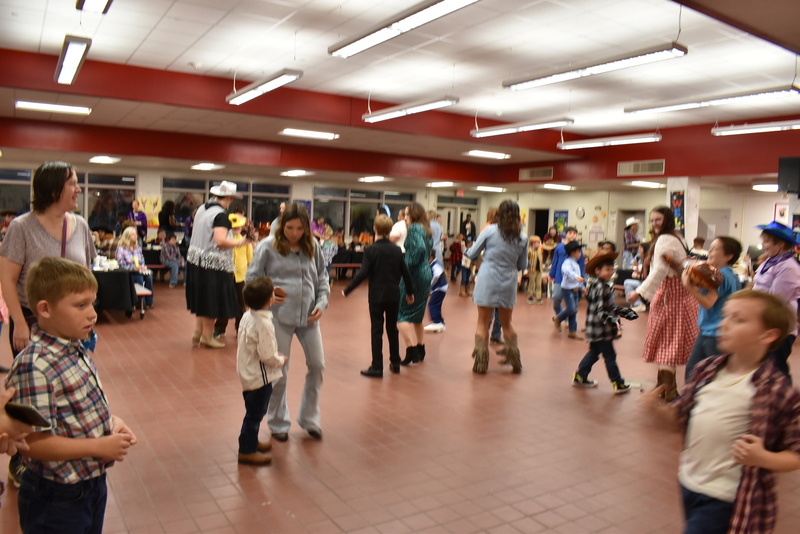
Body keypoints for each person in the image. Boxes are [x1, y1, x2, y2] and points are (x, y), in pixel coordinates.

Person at [642, 290, 800, 534]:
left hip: (728, 497)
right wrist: (657, 409)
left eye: (738, 319)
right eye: (725, 316)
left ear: (768, 335)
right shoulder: (707, 370)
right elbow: (682, 415)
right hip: (690, 481)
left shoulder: (777, 390)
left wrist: (763, 458)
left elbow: (796, 453)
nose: (724, 324)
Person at [4, 257, 138, 533]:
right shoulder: (35, 366)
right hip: (55, 497)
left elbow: (77, 406)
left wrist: (110, 422)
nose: (92, 314)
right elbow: (34, 443)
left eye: (92, 303)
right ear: (45, 309)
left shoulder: (74, 347)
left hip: (91, 485)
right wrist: (97, 447)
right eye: (80, 305)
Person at [246, 203, 330, 441]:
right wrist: (269, 292)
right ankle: (278, 422)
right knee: (279, 372)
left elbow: (323, 277)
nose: (294, 233)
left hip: (309, 318)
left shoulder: (312, 245)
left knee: (318, 366)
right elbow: (251, 279)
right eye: (289, 228)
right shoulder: (267, 247)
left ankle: (309, 418)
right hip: (279, 318)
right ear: (282, 226)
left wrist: (322, 303)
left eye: (299, 228)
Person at [626, 206, 698, 402]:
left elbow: (659, 271)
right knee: (669, 343)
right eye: (652, 220)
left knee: (667, 344)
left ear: (667, 220)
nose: (654, 224)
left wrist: (639, 293)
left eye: (658, 220)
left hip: (669, 296)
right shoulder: (677, 236)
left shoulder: (666, 239)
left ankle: (669, 390)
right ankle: (663, 386)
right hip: (680, 294)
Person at [343, 214, 414, 378]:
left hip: (376, 296)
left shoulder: (371, 250)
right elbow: (406, 274)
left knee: (377, 330)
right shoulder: (397, 250)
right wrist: (410, 293)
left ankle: (377, 367)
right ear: (390, 230)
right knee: (392, 329)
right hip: (393, 296)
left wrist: (348, 289)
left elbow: (362, 273)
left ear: (374, 229)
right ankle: (395, 363)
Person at [464, 200, 527, 374]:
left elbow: (473, 253)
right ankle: (515, 360)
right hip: (508, 280)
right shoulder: (523, 237)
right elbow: (522, 265)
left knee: (482, 322)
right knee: (507, 322)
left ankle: (481, 363)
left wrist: (467, 251)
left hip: (487, 278)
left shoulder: (490, 230)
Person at [236, 276, 287, 466]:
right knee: (255, 414)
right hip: (259, 378)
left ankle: (252, 441)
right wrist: (280, 359)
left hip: (247, 372)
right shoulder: (263, 324)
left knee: (253, 411)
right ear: (270, 300)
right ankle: (247, 450)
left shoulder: (247, 316)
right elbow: (267, 356)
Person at [186, 181, 243, 349]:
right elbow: (220, 241)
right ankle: (207, 336)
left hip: (196, 260)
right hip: (213, 265)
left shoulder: (202, 209)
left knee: (202, 299)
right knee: (211, 301)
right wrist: (240, 242)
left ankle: (198, 332)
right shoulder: (221, 216)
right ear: (230, 198)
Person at [571, 251, 634, 394]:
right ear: (597, 271)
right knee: (610, 356)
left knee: (594, 352)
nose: (611, 272)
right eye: (607, 270)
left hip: (595, 328)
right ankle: (618, 382)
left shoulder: (597, 285)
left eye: (612, 269)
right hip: (601, 329)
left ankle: (580, 375)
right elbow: (601, 310)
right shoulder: (602, 287)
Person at [682, 236, 742, 380]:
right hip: (709, 331)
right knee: (695, 372)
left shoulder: (720, 276)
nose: (709, 252)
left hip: (715, 334)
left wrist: (689, 287)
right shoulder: (729, 275)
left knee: (703, 375)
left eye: (715, 249)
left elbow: (709, 302)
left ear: (728, 256)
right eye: (710, 248)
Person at [750, 221, 800, 378]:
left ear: (780, 244)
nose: (763, 245)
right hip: (765, 322)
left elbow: (775, 300)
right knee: (764, 368)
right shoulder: (771, 260)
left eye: (766, 241)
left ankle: (785, 400)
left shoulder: (789, 267)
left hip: (780, 326)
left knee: (776, 369)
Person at [398, 203, 433, 365]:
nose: (405, 218)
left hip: (415, 273)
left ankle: (411, 349)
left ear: (414, 215)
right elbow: (427, 249)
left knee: (401, 314)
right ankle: (421, 348)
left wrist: (407, 265)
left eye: (406, 214)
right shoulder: (426, 230)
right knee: (418, 315)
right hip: (426, 272)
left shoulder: (413, 229)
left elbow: (418, 249)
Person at [214, 214, 253, 337]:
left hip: (241, 276)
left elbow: (250, 259)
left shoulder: (246, 242)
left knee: (241, 304)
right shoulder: (225, 240)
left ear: (241, 227)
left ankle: (240, 329)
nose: (236, 229)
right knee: (223, 302)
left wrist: (251, 275)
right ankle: (219, 328)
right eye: (233, 227)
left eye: (238, 227)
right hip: (226, 275)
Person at [546, 226, 585, 320]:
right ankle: (561, 316)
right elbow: (555, 261)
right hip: (559, 277)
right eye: (570, 233)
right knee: (556, 298)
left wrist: (581, 279)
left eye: (574, 233)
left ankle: (564, 320)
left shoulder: (578, 249)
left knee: (571, 302)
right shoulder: (559, 246)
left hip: (572, 279)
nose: (572, 235)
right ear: (566, 234)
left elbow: (581, 265)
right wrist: (551, 274)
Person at [116, 226, 154, 309]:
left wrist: (143, 267)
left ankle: (149, 301)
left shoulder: (138, 248)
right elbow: (121, 264)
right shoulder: (121, 249)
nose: (136, 236)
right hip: (129, 272)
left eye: (135, 234)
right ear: (127, 236)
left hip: (139, 270)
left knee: (149, 277)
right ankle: (140, 302)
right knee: (139, 278)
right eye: (133, 234)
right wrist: (133, 268)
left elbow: (142, 261)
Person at [553, 241, 585, 339]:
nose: (580, 254)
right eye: (578, 252)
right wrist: (576, 277)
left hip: (575, 290)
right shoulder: (567, 262)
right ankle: (558, 318)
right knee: (571, 308)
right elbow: (566, 271)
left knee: (574, 311)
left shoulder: (576, 264)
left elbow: (579, 278)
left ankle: (572, 331)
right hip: (567, 290)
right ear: (572, 252)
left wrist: (582, 288)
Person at [424, 250, 447, 333]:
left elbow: (437, 275)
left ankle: (437, 322)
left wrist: (430, 285)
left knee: (432, 304)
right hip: (440, 288)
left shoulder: (435, 264)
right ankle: (441, 323)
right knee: (437, 305)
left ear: (431, 258)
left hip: (439, 288)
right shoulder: (433, 264)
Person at [624, 242, 650, 313]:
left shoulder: (646, 259)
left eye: (640, 248)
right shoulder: (641, 258)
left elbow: (645, 276)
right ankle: (637, 303)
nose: (638, 249)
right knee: (628, 283)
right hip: (645, 281)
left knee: (626, 282)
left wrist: (637, 275)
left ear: (643, 249)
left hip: (646, 283)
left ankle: (638, 303)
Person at [526, 235, 545, 304]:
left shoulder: (539, 251)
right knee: (531, 284)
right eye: (538, 242)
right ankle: (530, 297)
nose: (539, 244)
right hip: (532, 270)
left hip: (539, 270)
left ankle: (538, 297)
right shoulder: (529, 251)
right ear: (533, 243)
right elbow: (526, 259)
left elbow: (540, 259)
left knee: (538, 284)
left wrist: (542, 265)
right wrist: (527, 267)